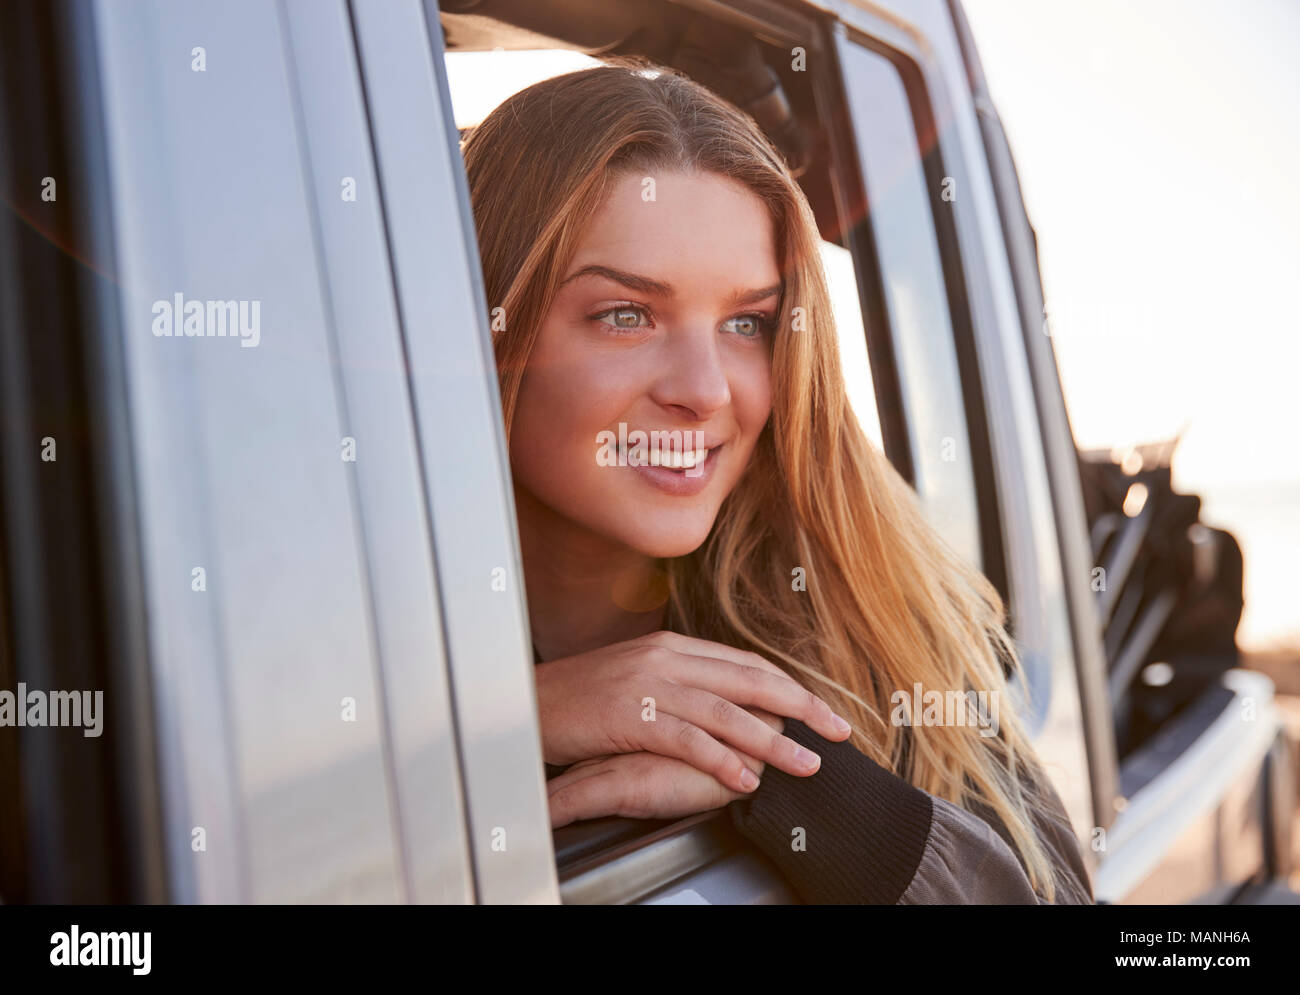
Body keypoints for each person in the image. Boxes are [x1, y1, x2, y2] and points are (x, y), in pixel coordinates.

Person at [460, 56, 1093, 904]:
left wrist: (790, 773)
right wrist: (500, 721)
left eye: (746, 323)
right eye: (625, 315)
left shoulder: (871, 620)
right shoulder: (326, 646)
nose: (706, 389)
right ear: (494, 328)